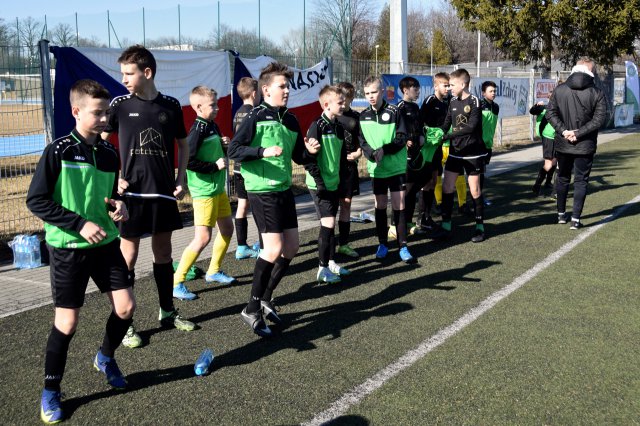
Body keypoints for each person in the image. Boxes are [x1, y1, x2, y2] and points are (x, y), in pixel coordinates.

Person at [26, 80, 136, 424]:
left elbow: (106, 197)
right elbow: (36, 200)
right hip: (68, 249)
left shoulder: (108, 153)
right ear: (76, 111)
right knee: (68, 322)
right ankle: (51, 391)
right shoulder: (57, 151)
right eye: (97, 112)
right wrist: (79, 224)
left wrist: (119, 207)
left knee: (126, 307)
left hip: (105, 245)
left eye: (107, 112)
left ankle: (105, 356)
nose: (105, 118)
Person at [102, 45, 195, 349]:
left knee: (164, 255)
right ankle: (124, 323)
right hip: (132, 196)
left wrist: (181, 179)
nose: (124, 79)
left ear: (147, 73)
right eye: (122, 73)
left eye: (129, 73)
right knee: (126, 258)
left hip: (162, 194)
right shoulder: (118, 105)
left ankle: (167, 311)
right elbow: (101, 145)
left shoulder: (170, 106)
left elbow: (183, 144)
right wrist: (112, 178)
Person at [228, 62, 320, 337]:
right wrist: (261, 151)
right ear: (266, 89)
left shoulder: (290, 120)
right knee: (272, 248)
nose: (288, 90)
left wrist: (309, 152)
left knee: (291, 246)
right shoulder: (254, 116)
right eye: (282, 86)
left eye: (288, 86)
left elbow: (297, 158)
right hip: (261, 189)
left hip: (283, 189)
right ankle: (251, 308)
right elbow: (234, 149)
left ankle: (265, 298)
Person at [172, 86, 236, 301]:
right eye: (213, 105)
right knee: (203, 238)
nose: (217, 108)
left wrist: (223, 145)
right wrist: (214, 166)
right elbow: (188, 161)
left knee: (227, 229)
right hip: (204, 192)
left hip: (217, 189)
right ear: (198, 107)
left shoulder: (212, 126)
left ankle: (213, 271)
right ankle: (177, 281)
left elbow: (215, 153)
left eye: (217, 104)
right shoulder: (197, 130)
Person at [545, 57, 607, 229]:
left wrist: (564, 131)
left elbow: (550, 114)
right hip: (585, 145)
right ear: (589, 70)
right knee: (581, 181)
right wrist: (577, 133)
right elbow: (599, 119)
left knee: (563, 178)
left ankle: (560, 215)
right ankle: (576, 219)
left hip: (563, 143)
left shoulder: (560, 89)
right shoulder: (597, 92)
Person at [359, 76, 415, 263]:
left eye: (374, 92)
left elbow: (401, 138)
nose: (371, 96)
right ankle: (382, 243)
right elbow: (362, 142)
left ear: (382, 91)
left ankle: (403, 246)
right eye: (367, 93)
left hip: (397, 168)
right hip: (377, 170)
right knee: (380, 206)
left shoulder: (394, 112)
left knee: (399, 205)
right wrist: (372, 154)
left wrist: (385, 150)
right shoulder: (363, 115)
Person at [305, 85, 352, 283]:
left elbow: (341, 158)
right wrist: (319, 181)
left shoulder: (339, 126)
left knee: (330, 223)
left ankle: (331, 261)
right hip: (319, 184)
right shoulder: (317, 125)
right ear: (326, 105)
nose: (343, 105)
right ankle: (322, 268)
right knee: (328, 223)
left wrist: (342, 180)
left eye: (343, 102)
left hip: (334, 183)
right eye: (339, 103)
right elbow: (308, 159)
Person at [439, 68, 488, 243]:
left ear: (463, 84)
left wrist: (448, 136)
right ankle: (445, 226)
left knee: (474, 189)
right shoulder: (452, 101)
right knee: (447, 187)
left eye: (452, 85)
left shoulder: (475, 101)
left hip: (472, 152)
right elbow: (446, 123)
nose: (450, 88)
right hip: (456, 152)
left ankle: (480, 227)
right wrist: (437, 133)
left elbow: (471, 127)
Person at [396, 76, 429, 236]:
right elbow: (396, 130)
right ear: (405, 90)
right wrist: (405, 140)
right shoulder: (399, 107)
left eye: (418, 89)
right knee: (405, 191)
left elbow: (420, 125)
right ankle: (395, 226)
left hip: (418, 152)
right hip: (405, 155)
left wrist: (421, 135)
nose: (418, 92)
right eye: (415, 89)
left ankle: (408, 222)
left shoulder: (416, 107)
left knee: (418, 185)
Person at [232, 77, 261, 260]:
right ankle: (264, 243)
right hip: (250, 167)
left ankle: (241, 246)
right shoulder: (255, 113)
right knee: (258, 206)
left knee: (242, 205)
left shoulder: (238, 113)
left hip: (237, 167)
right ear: (254, 93)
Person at [418, 72, 450, 232]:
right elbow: (420, 122)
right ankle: (421, 217)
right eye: (445, 85)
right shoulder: (430, 101)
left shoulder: (446, 103)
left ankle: (427, 216)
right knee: (425, 182)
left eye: (449, 85)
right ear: (436, 86)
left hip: (438, 147)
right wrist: (430, 136)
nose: (448, 88)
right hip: (428, 149)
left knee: (433, 181)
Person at [335, 81, 362, 259]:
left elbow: (361, 141)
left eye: (347, 98)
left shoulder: (355, 117)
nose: (344, 102)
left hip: (349, 168)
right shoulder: (331, 116)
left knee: (346, 204)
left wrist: (358, 153)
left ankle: (343, 244)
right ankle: (328, 246)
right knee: (329, 207)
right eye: (341, 98)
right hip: (332, 168)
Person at [530, 90, 558, 197]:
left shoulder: (559, 108)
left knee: (554, 162)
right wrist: (536, 105)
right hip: (548, 138)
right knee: (548, 164)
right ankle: (536, 187)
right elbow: (532, 111)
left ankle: (547, 183)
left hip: (556, 138)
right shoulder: (544, 108)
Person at [480, 81, 499, 204]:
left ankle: (478, 195)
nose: (493, 93)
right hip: (478, 144)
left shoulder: (496, 106)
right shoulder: (479, 105)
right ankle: (477, 197)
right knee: (478, 172)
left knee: (482, 171)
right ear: (483, 93)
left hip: (488, 145)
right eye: (490, 91)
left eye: (494, 91)